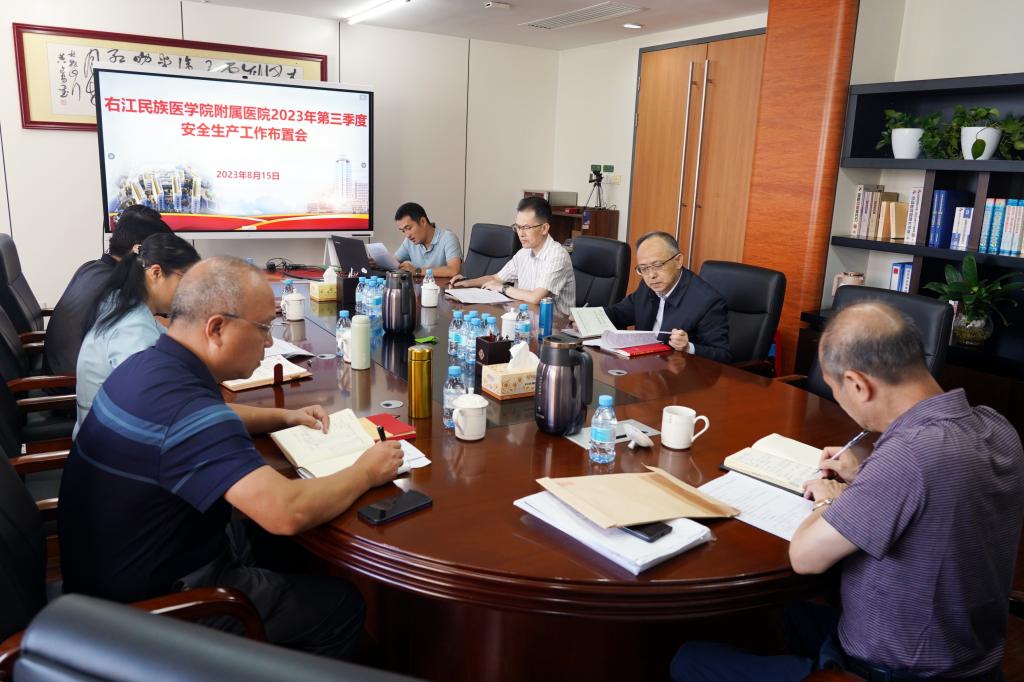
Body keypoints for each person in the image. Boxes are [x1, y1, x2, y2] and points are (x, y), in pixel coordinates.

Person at [59, 256, 404, 659]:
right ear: (217, 329)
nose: (270, 342)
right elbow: (286, 511)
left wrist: (284, 416)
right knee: (340, 605)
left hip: (102, 585)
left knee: (276, 546)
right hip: (154, 613)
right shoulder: (189, 412)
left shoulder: (148, 365)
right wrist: (366, 471)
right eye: (264, 328)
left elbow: (211, 418)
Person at [672, 302, 1023, 681]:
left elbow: (805, 558)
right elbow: (936, 499)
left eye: (836, 390)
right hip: (971, 655)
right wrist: (864, 474)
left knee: (688, 658)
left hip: (897, 669)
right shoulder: (997, 426)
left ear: (857, 384)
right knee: (777, 613)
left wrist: (829, 497)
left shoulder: (909, 456)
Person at [73, 232, 200, 435]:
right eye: (187, 281)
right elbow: (156, 402)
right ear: (156, 273)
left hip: (106, 431)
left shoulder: (118, 300)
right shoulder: (132, 327)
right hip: (112, 441)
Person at [44, 205, 171, 376]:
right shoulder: (118, 286)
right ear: (138, 250)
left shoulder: (90, 267)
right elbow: (150, 327)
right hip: (70, 382)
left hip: (59, 368)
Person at [604, 232, 731, 362]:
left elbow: (722, 355)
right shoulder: (648, 285)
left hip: (679, 370)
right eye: (644, 268)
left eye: (658, 265)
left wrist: (688, 347)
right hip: (643, 365)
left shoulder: (707, 301)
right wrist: (590, 317)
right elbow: (618, 313)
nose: (651, 275)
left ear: (678, 261)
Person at [450, 196, 575, 316]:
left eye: (526, 227)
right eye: (518, 227)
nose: (521, 233)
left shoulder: (558, 256)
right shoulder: (523, 253)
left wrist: (503, 288)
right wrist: (467, 282)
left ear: (544, 228)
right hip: (525, 318)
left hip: (555, 325)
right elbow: (496, 278)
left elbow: (535, 297)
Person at [392, 202, 462, 277]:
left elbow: (453, 270)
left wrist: (417, 271)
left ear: (423, 221)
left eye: (409, 228)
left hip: (447, 284)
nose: (407, 235)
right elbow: (393, 262)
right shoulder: (409, 241)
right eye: (403, 231)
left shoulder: (448, 238)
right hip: (421, 284)